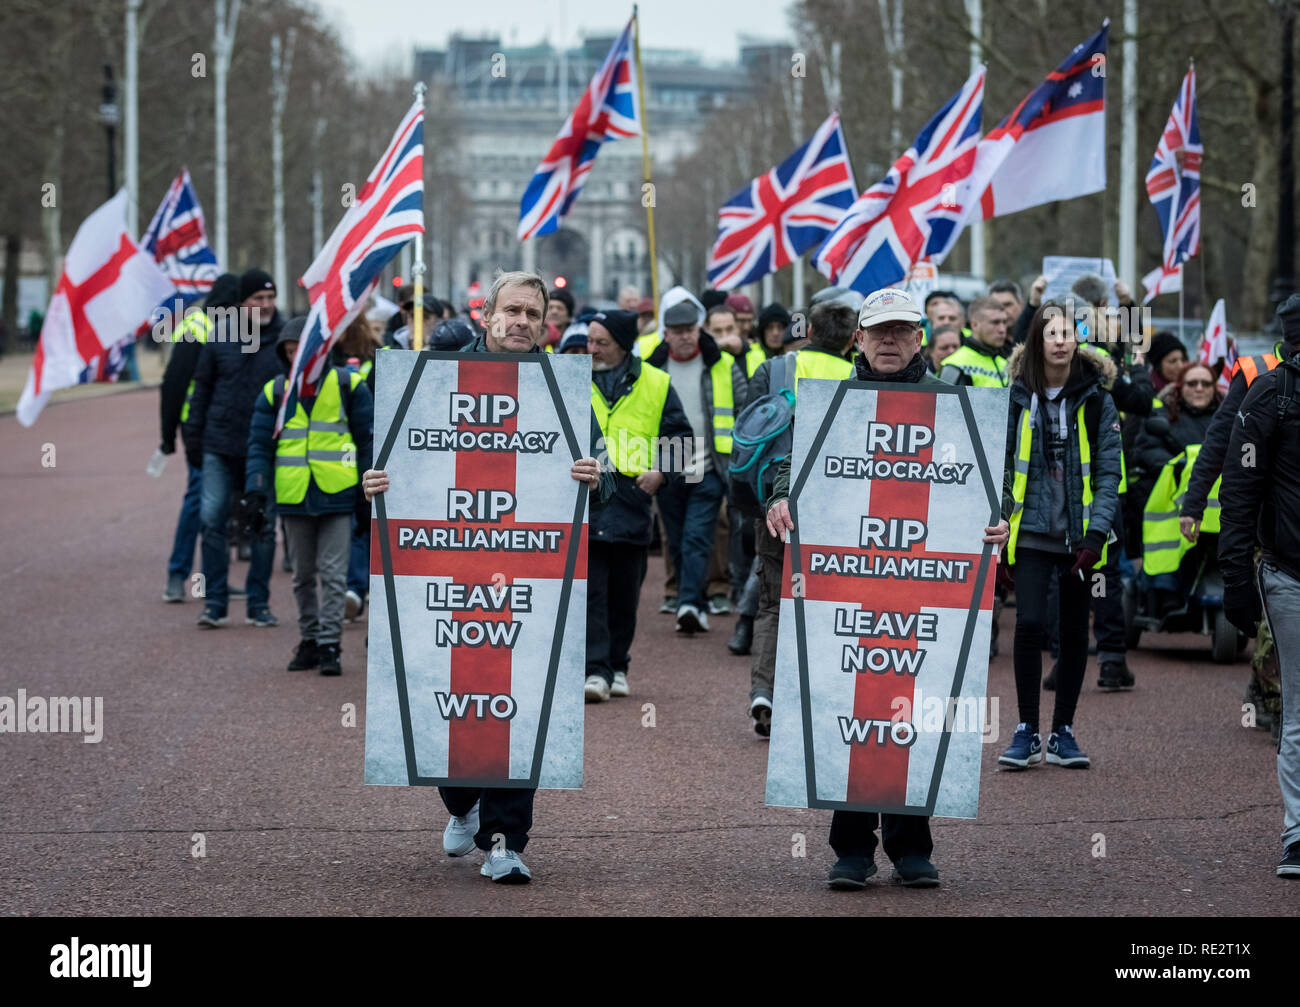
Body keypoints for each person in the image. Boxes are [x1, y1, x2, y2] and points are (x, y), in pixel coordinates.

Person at [361, 270, 612, 885]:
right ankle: (461, 802)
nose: (522, 322)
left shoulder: (564, 389)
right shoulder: (432, 380)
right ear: (487, 315)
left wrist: (594, 478)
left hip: (530, 581)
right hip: (442, 576)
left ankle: (504, 840)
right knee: (440, 697)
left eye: (533, 312)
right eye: (511, 310)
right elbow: (395, 464)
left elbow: (607, 485)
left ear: (546, 320)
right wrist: (372, 485)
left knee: (519, 703)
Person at [765, 287, 1009, 889]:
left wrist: (1003, 513)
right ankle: (850, 848)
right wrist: (777, 496)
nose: (891, 341)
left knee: (917, 711)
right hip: (845, 589)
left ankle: (910, 847)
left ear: (921, 337)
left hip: (927, 590)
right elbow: (784, 464)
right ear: (860, 340)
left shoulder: (955, 404)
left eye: (902, 331)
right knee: (848, 708)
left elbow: (990, 482)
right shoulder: (831, 404)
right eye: (880, 332)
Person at [998, 299, 1122, 771]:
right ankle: (1027, 730)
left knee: (1073, 633)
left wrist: (1097, 535)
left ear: (1078, 339)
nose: (1061, 340)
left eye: (1068, 332)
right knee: (1029, 624)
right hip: (1027, 533)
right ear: (1037, 340)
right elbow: (1002, 466)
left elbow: (1110, 473)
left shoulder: (1097, 398)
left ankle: (1062, 733)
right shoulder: (1012, 396)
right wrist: (1001, 521)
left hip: (1080, 537)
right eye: (1051, 333)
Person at [744, 301, 857, 735]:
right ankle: (817, 697)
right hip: (838, 504)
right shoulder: (858, 376)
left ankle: (765, 692)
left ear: (808, 330)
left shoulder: (775, 369)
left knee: (774, 600)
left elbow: (747, 430)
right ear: (852, 339)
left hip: (775, 498)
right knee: (829, 601)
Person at [245, 318, 373, 675]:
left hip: (338, 492)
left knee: (333, 574)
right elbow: (258, 445)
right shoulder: (274, 392)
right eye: (289, 351)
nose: (295, 356)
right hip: (293, 495)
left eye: (301, 349)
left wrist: (366, 493)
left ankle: (330, 644)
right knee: (302, 575)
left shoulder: (349, 385)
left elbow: (367, 442)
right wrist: (255, 490)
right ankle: (310, 639)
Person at [1218, 341, 1300, 879]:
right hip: (1290, 573)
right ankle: (1298, 832)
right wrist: (1235, 578)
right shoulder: (1275, 392)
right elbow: (1240, 486)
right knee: (1299, 704)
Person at [585, 309, 692, 702]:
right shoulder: (571, 377)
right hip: (588, 495)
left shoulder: (658, 382)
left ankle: (617, 666)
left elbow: (680, 437)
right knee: (592, 589)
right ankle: (594, 670)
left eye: (601, 343)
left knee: (625, 592)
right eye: (589, 340)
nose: (591, 349)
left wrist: (662, 474)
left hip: (632, 498)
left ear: (623, 344)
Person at [184, 268, 286, 628]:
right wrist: (192, 441)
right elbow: (201, 390)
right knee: (211, 520)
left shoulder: (285, 341)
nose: (266, 305)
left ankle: (258, 604)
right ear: (242, 303)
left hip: (263, 450)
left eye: (270, 298)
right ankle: (214, 603)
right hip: (218, 445)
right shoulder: (219, 338)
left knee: (261, 525)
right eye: (258, 299)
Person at [645, 287, 743, 634]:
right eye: (678, 332)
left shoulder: (722, 363)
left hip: (710, 463)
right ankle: (694, 599)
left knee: (697, 536)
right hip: (668, 464)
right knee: (676, 537)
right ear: (667, 334)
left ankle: (688, 603)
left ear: (698, 330)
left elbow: (744, 411)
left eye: (690, 330)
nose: (685, 337)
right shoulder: (651, 368)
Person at [159, 272, 240, 602]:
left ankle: (211, 581)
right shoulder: (200, 331)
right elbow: (174, 385)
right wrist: (168, 437)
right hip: (201, 429)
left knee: (215, 506)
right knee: (200, 503)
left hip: (221, 426)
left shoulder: (232, 330)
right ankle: (178, 576)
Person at [331, 316, 379, 623]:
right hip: (334, 455)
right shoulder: (324, 358)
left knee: (364, 524)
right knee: (351, 528)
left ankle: (361, 587)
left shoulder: (375, 354)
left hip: (364, 445)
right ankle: (353, 589)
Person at [938, 296, 1010, 387]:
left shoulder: (1006, 364)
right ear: (974, 325)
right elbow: (945, 401)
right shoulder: (954, 365)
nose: (1002, 329)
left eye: (1004, 322)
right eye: (995, 322)